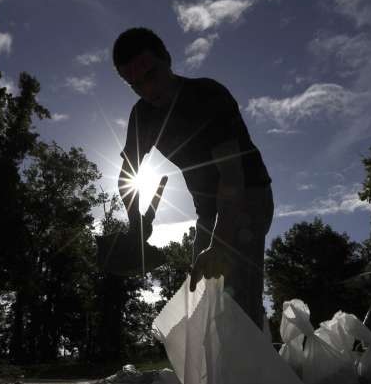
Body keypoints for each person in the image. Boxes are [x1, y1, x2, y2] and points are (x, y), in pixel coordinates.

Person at [113, 27, 273, 331]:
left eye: (151, 75)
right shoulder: (142, 115)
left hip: (248, 194)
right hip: (207, 210)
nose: (147, 89)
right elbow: (126, 176)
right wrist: (137, 225)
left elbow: (232, 176)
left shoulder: (206, 95)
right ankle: (218, 373)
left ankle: (250, 372)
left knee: (236, 298)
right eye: (134, 84)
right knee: (203, 295)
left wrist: (220, 242)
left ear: (168, 60)